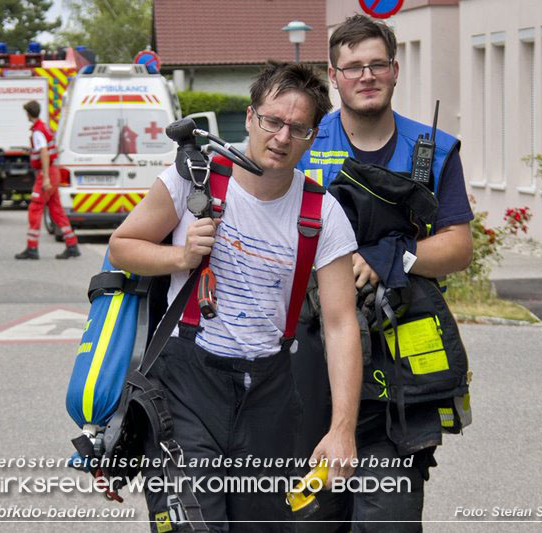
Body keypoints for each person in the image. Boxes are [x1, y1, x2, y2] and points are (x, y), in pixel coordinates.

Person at [108, 62, 362, 532]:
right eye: (272, 121)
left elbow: (341, 322)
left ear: (312, 135)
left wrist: (342, 428)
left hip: (270, 393)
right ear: (249, 118)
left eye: (297, 127)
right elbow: (122, 246)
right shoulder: (190, 180)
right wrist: (180, 258)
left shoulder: (322, 212)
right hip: (186, 385)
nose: (282, 137)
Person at [294, 14, 474, 533]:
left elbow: (458, 246)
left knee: (388, 521)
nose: (366, 75)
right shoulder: (300, 140)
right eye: (353, 67)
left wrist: (391, 257)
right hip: (309, 363)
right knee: (309, 519)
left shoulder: (433, 149)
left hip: (400, 370)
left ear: (395, 71)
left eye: (377, 64)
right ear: (333, 75)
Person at [15, 100, 81, 260]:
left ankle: (32, 248)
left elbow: (44, 152)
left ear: (28, 114)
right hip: (53, 171)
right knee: (56, 210)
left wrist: (45, 177)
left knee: (35, 208)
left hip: (47, 174)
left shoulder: (37, 131)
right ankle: (72, 245)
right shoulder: (45, 127)